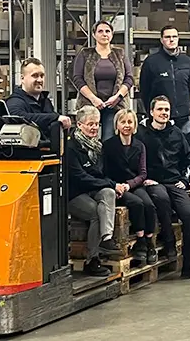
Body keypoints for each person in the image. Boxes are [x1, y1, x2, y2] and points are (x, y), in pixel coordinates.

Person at [137, 96, 190, 280]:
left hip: (175, 182)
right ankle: (169, 243)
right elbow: (136, 159)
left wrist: (184, 180)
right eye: (160, 109)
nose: (164, 113)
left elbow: (187, 159)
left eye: (166, 110)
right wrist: (144, 178)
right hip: (153, 182)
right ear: (151, 112)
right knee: (162, 199)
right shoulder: (142, 134)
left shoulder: (176, 133)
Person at [66, 105, 119, 277]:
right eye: (90, 124)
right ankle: (92, 260)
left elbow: (100, 173)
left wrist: (111, 185)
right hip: (75, 194)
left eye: (97, 124)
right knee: (95, 212)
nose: (94, 127)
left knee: (109, 193)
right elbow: (80, 177)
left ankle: (107, 237)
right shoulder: (71, 147)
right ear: (79, 125)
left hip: (92, 189)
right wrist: (109, 183)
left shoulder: (97, 146)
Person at [102, 109, 159, 265]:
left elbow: (143, 173)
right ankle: (140, 242)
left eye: (130, 122)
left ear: (135, 125)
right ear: (117, 125)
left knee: (149, 204)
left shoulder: (140, 146)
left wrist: (130, 184)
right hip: (117, 187)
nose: (126, 125)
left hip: (133, 184)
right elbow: (104, 172)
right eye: (123, 122)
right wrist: (116, 186)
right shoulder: (108, 145)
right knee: (136, 203)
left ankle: (149, 242)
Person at [72, 21, 134, 141]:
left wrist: (118, 97)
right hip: (89, 104)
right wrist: (93, 99)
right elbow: (77, 79)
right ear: (94, 35)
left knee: (109, 140)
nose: (104, 34)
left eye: (107, 31)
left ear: (112, 34)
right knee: (86, 140)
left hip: (114, 105)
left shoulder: (120, 54)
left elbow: (129, 78)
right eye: (100, 31)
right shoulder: (85, 54)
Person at [139, 26, 190, 134]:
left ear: (178, 38)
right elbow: (144, 90)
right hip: (161, 117)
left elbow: (189, 87)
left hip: (184, 117)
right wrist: (152, 113)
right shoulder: (151, 62)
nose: (171, 40)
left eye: (174, 36)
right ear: (161, 40)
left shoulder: (187, 62)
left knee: (185, 144)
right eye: (167, 37)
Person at [6, 57, 72, 134]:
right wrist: (55, 117)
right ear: (22, 78)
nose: (40, 80)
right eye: (35, 75)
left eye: (42, 76)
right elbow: (19, 117)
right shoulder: (14, 101)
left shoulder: (45, 101)